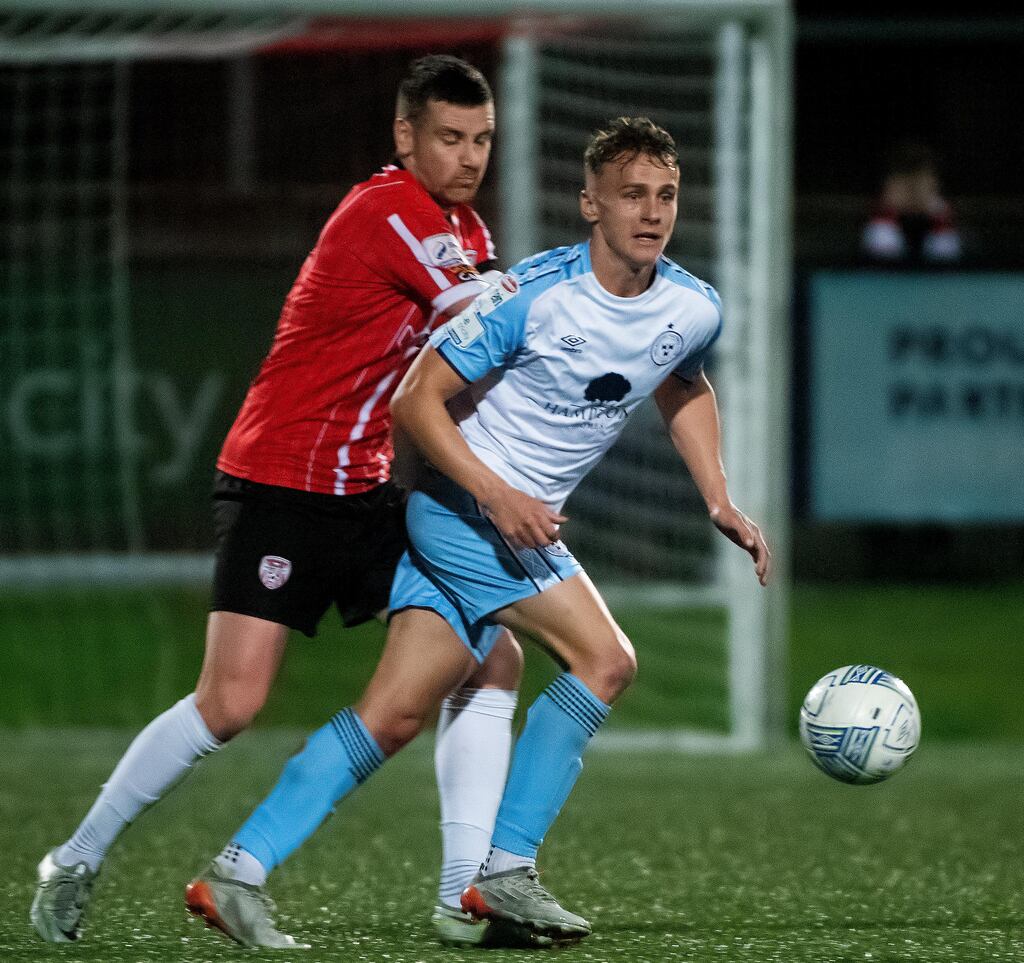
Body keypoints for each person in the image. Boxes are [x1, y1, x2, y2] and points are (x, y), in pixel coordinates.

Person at [190, 115, 770, 948]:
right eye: (631, 195)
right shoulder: (528, 294)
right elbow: (414, 401)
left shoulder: (691, 306)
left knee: (391, 715)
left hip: (498, 518)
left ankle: (237, 870)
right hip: (465, 510)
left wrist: (718, 496)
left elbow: (685, 383)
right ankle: (504, 874)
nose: (651, 212)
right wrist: (496, 495)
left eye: (666, 195)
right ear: (590, 205)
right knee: (607, 660)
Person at [30, 54, 525, 951]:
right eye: (449, 137)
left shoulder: (461, 224)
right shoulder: (387, 212)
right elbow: (488, 316)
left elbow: (477, 337)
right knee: (229, 704)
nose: (468, 156)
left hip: (366, 491)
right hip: (281, 486)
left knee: (490, 656)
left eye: (482, 139)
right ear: (404, 136)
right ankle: (77, 855)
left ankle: (466, 895)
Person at [861, 140, 962, 265]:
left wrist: (932, 211)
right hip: (895, 225)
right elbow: (890, 203)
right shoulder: (892, 180)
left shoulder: (932, 185)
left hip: (929, 227)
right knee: (882, 233)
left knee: (943, 243)